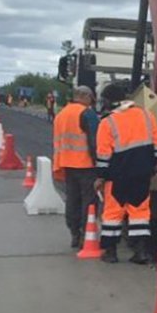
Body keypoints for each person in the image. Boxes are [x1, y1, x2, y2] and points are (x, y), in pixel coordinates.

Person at [94, 82, 157, 264]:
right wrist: (152, 166)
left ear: (109, 102)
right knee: (140, 213)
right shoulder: (147, 116)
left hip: (116, 177)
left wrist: (100, 177)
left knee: (112, 215)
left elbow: (103, 155)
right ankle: (140, 252)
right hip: (142, 175)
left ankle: (110, 252)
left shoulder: (107, 123)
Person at [52, 86, 99, 249]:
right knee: (88, 201)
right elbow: (95, 141)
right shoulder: (87, 114)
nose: (92, 102)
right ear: (85, 97)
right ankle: (86, 234)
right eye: (92, 98)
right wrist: (100, 163)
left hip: (66, 163)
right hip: (85, 164)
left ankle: (74, 233)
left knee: (72, 199)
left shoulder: (61, 114)